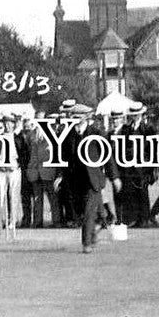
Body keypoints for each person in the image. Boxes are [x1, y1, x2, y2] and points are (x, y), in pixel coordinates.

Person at [62, 104, 120, 253]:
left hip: (93, 180)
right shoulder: (66, 134)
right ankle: (95, 231)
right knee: (82, 212)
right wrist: (59, 176)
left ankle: (86, 243)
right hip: (75, 180)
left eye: (79, 116)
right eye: (73, 116)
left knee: (88, 212)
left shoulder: (97, 133)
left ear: (87, 117)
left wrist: (114, 177)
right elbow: (61, 157)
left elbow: (108, 156)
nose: (75, 119)